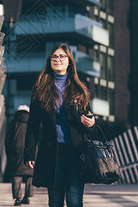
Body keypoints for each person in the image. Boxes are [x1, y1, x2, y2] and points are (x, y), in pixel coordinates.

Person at [24, 43, 95, 207]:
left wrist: (91, 124)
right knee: (55, 201)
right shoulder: (40, 88)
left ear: (69, 61)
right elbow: (33, 124)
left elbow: (89, 121)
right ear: (50, 61)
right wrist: (29, 153)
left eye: (62, 56)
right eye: (54, 56)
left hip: (76, 152)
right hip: (52, 151)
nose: (58, 59)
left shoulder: (80, 88)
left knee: (74, 200)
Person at [4, 104, 34, 206]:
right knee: (30, 174)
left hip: (15, 151)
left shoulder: (14, 122)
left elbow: (7, 140)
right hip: (30, 151)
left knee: (16, 173)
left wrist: (9, 153)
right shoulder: (32, 122)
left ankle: (17, 198)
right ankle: (27, 197)